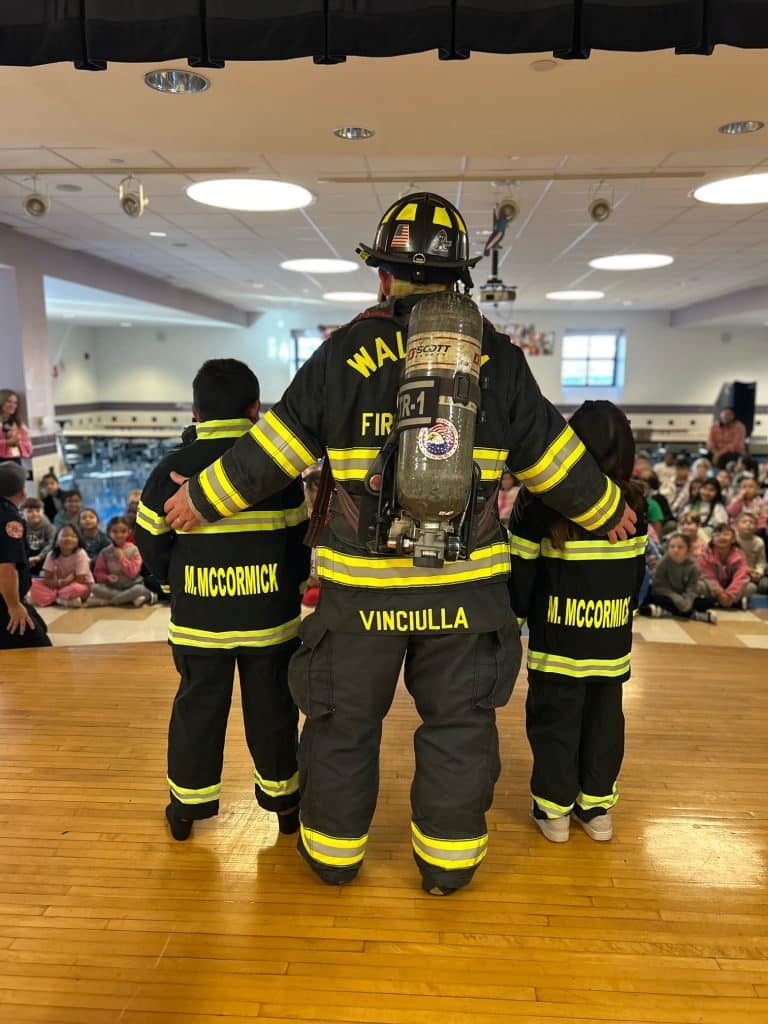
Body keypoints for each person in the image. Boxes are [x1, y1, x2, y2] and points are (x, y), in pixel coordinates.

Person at [162, 192, 637, 895]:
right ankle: (448, 866)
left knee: (342, 725)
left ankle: (333, 855)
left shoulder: (342, 352)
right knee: (459, 729)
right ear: (459, 279)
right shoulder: (499, 360)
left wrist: (195, 499)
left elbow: (273, 452)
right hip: (467, 595)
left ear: (383, 275)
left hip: (361, 595)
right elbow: (554, 461)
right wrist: (609, 513)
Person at [135, 359, 309, 842]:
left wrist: (175, 586)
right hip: (269, 623)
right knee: (273, 711)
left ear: (195, 411)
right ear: (256, 409)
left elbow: (149, 540)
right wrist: (287, 590)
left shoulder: (170, 469)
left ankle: (186, 811)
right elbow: (301, 543)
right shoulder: (275, 474)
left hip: (199, 623)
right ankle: (285, 805)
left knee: (197, 712)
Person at [508, 401, 647, 845]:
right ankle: (597, 811)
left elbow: (521, 577)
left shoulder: (539, 507)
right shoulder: (636, 506)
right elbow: (637, 579)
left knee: (554, 727)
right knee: (605, 726)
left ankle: (554, 815)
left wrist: (518, 618)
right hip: (611, 646)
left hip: (556, 647)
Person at [0, 461, 51, 648]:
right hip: (4, 603)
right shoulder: (9, 519)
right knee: (39, 648)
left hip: (8, 596)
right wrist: (13, 605)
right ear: (23, 491)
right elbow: (6, 567)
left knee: (40, 627)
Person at [640, 532, 717, 623]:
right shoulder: (663, 563)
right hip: (667, 595)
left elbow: (692, 587)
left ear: (688, 550)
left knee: (708, 602)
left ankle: (667, 612)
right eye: (672, 547)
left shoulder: (693, 566)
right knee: (656, 599)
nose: (675, 550)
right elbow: (658, 586)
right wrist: (676, 598)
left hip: (683, 595)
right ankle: (693, 615)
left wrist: (688, 602)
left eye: (680, 547)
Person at [87, 516, 156, 607]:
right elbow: (98, 572)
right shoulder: (105, 552)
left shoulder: (134, 549)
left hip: (132, 585)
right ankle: (129, 599)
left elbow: (133, 573)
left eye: (123, 531)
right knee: (94, 588)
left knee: (139, 589)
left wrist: (121, 558)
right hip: (114, 588)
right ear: (109, 533)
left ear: (129, 532)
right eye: (115, 532)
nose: (119, 535)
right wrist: (107, 577)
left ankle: (111, 601)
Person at [29, 524, 93, 609]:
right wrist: (59, 583)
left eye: (73, 536)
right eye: (64, 535)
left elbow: (81, 579)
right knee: (32, 582)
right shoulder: (52, 554)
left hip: (77, 585)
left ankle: (55, 597)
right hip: (57, 585)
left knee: (77, 589)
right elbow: (46, 577)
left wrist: (67, 581)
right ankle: (62, 598)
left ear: (78, 540)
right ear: (57, 540)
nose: (68, 538)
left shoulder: (81, 553)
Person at [698, 523, 752, 611]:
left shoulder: (739, 555)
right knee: (699, 586)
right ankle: (730, 602)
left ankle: (728, 601)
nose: (721, 537)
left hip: (730, 588)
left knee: (751, 587)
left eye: (726, 534)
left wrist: (730, 594)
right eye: (717, 535)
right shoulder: (705, 555)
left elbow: (741, 576)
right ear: (712, 539)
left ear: (733, 539)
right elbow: (707, 576)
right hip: (712, 588)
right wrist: (720, 594)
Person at [734, 512, 768, 596]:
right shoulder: (733, 541)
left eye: (752, 522)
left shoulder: (759, 542)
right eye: (744, 522)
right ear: (736, 526)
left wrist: (759, 572)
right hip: (737, 573)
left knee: (764, 585)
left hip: (754, 574)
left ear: (757, 526)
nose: (748, 524)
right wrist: (747, 571)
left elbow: (761, 561)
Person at [22, 498, 55, 575]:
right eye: (29, 511)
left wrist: (39, 557)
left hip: (43, 557)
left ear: (43, 511)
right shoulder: (21, 525)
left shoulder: (49, 526)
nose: (34, 514)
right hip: (26, 557)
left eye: (37, 511)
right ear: (23, 513)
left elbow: (52, 543)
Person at [0, 389, 32, 464]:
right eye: (8, 401)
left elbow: (28, 445)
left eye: (15, 403)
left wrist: (18, 443)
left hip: (15, 462)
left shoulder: (19, 424)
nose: (13, 405)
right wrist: (7, 443)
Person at [660, 455, 691, 521]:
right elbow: (661, 495)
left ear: (688, 469)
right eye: (678, 468)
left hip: (682, 513)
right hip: (666, 512)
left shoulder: (692, 483)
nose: (680, 471)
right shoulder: (668, 481)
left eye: (683, 468)